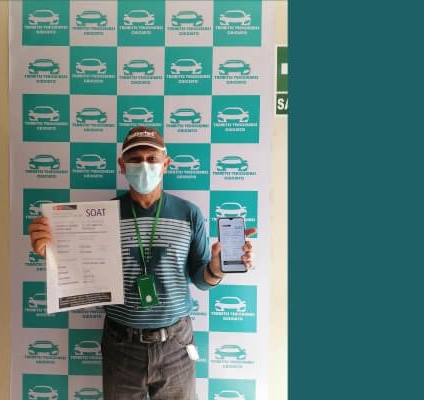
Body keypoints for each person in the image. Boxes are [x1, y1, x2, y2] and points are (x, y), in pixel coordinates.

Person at [28, 126, 256, 399]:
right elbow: (85, 272)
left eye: (152, 159)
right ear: (122, 165)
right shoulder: (99, 218)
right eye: (135, 159)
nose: (144, 165)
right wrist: (54, 253)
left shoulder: (189, 214)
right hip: (121, 345)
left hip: (176, 345)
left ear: (166, 164)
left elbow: (201, 279)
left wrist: (216, 269)